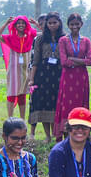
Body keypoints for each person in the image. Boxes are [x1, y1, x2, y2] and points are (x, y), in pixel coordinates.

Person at [54, 13, 91, 139]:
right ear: (68, 25)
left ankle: (81, 128)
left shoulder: (86, 41)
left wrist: (73, 59)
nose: (75, 26)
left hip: (81, 78)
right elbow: (64, 62)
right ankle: (66, 130)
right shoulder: (63, 40)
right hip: (68, 78)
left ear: (81, 24)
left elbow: (90, 61)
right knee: (66, 103)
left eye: (77, 24)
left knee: (80, 102)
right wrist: (81, 61)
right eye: (72, 24)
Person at [27, 11, 64, 141]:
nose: (52, 25)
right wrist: (32, 79)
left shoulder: (64, 38)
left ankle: (56, 133)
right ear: (46, 24)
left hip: (59, 74)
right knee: (43, 104)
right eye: (50, 23)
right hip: (43, 74)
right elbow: (35, 60)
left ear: (59, 23)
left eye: (55, 22)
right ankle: (47, 135)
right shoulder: (40, 39)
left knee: (56, 104)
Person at [0, 16, 38, 118]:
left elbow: (45, 33)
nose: (21, 25)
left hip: (25, 71)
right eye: (18, 23)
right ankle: (10, 118)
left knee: (22, 95)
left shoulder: (30, 36)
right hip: (13, 71)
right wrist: (5, 24)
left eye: (23, 23)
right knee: (11, 94)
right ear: (14, 25)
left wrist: (36, 25)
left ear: (26, 25)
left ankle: (22, 120)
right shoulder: (10, 38)